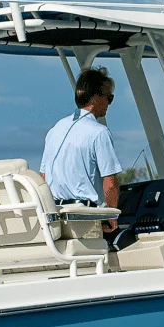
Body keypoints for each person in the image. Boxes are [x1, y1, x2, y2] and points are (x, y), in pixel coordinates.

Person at [40, 66, 122, 232]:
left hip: (55, 217)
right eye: (109, 97)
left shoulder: (55, 130)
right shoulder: (99, 132)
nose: (109, 103)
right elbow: (110, 182)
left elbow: (43, 177)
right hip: (83, 217)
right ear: (96, 98)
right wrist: (112, 216)